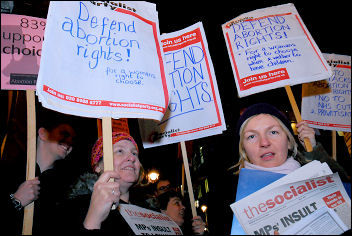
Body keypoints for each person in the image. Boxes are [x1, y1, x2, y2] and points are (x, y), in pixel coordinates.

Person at [0, 109, 78, 234]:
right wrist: (17, 201)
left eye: (73, 139)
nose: (69, 141)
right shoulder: (8, 171)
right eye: (64, 133)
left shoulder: (66, 187)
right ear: (43, 133)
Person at [230, 103, 349, 180]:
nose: (264, 143)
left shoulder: (312, 176)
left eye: (273, 132)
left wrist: (314, 152)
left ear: (289, 142)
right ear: (243, 148)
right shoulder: (233, 198)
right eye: (251, 136)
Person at [57, 132, 145, 234]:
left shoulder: (150, 211)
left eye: (134, 153)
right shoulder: (72, 208)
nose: (132, 158)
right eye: (120, 151)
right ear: (98, 166)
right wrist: (94, 220)